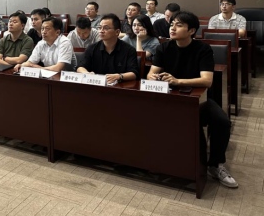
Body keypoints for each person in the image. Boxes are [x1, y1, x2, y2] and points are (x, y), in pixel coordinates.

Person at [147, 11, 238, 188]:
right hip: (170, 99)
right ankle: (158, 160)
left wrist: (178, 81)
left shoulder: (203, 49)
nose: (173, 28)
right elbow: (151, 73)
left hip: (199, 99)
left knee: (222, 122)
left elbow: (207, 80)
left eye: (179, 25)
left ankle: (215, 165)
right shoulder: (163, 48)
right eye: (172, 24)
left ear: (191, 31)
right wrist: (155, 77)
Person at [77, 13, 139, 83]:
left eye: (106, 28)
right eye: (100, 27)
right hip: (96, 85)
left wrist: (119, 76)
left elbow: (134, 73)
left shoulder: (129, 50)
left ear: (117, 32)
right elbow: (80, 67)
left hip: (119, 86)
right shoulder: (91, 48)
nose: (101, 31)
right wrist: (86, 73)